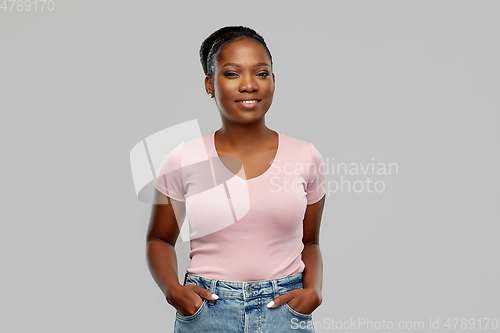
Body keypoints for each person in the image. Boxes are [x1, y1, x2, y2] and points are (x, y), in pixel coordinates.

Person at [146, 26, 326, 332]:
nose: (249, 85)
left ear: (273, 80)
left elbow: (309, 242)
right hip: (208, 312)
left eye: (261, 73)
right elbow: (159, 239)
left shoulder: (306, 157)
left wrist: (314, 291)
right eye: (232, 74)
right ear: (209, 84)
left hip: (283, 312)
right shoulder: (182, 158)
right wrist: (174, 292)